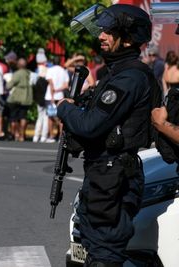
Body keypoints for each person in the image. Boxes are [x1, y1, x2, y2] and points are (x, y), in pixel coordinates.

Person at [58, 4, 154, 266]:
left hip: (113, 179)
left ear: (128, 39)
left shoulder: (130, 78)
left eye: (109, 31)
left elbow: (90, 125)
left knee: (105, 255)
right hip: (103, 176)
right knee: (92, 248)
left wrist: (65, 109)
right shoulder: (117, 74)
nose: (101, 36)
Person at [6, 58, 33, 142]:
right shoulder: (29, 73)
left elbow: (9, 86)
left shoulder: (17, 74)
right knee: (23, 116)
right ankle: (22, 135)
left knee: (14, 117)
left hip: (17, 98)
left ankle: (15, 134)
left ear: (19, 65)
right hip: (27, 97)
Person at [45, 56, 69, 143]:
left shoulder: (50, 70)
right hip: (60, 96)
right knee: (60, 118)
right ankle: (60, 137)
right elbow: (66, 85)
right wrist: (58, 90)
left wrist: (52, 95)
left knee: (50, 117)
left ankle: (51, 136)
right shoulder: (63, 71)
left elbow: (51, 83)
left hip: (50, 96)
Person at [32, 49, 49, 143]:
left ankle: (36, 136)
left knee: (40, 117)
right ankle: (43, 136)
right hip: (46, 98)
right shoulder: (47, 71)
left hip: (39, 99)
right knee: (45, 117)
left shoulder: (36, 74)